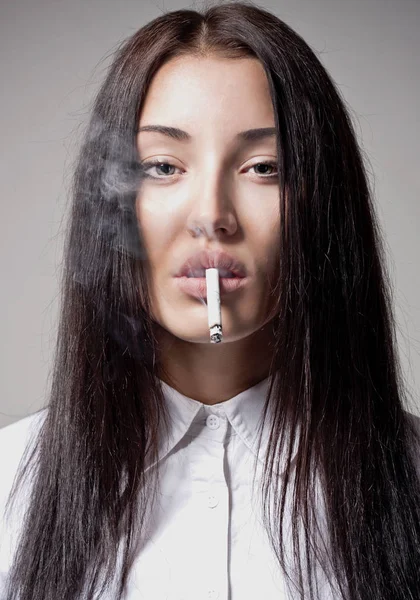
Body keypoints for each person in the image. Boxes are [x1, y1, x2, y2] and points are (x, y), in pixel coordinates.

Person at [1, 2, 420, 599]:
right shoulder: (9, 493)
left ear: (324, 204)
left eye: (265, 167)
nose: (211, 217)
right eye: (164, 166)